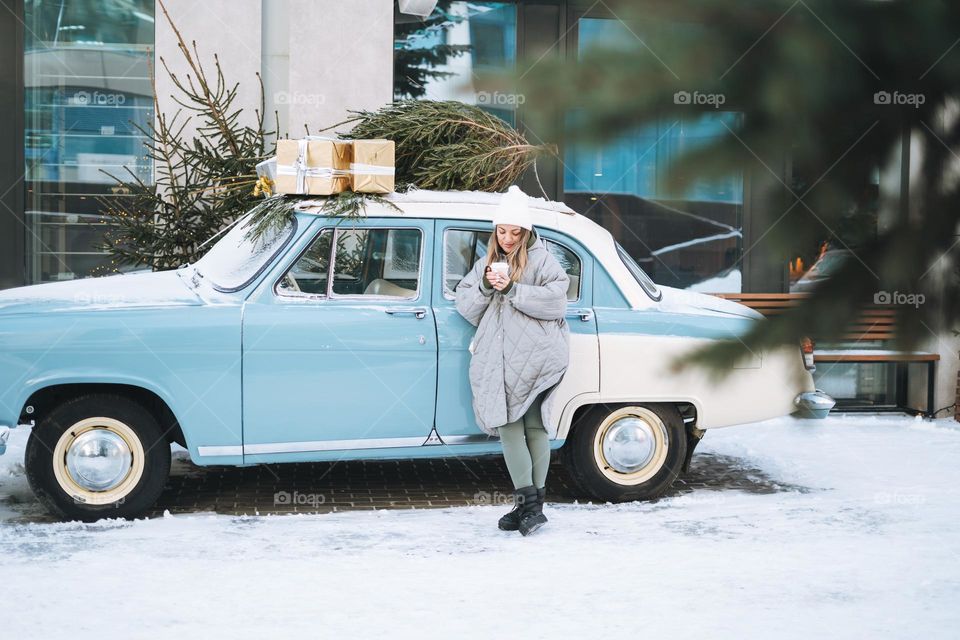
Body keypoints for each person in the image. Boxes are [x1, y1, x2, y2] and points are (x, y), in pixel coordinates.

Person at [454, 185, 571, 535]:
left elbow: (557, 301)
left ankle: (528, 506)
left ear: (527, 230)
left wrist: (513, 290)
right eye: (502, 231)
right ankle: (530, 508)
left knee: (530, 426)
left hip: (537, 354)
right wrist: (488, 287)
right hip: (503, 357)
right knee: (510, 427)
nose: (507, 238)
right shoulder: (487, 262)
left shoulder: (543, 259)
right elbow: (465, 303)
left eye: (515, 231)